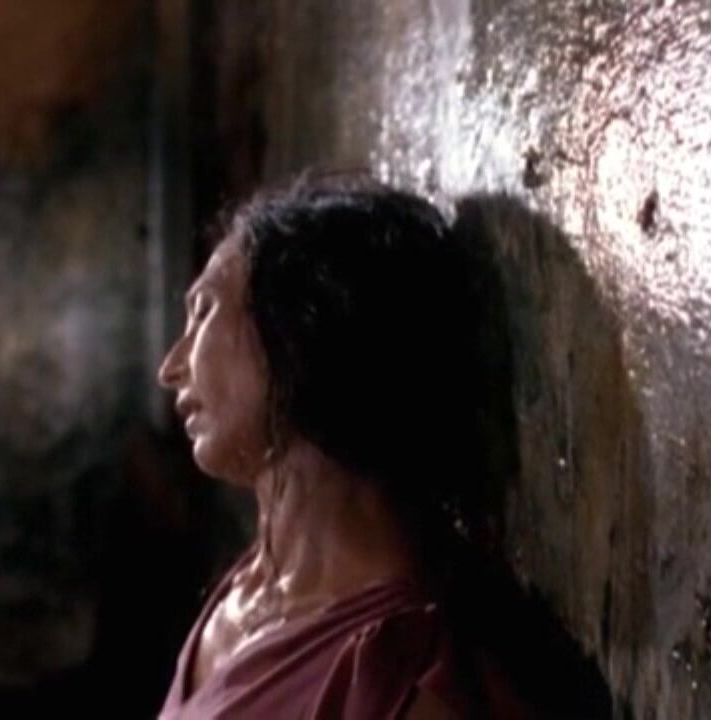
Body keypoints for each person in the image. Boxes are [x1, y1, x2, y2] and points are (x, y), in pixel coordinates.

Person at [154, 176, 530, 719]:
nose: (171, 367)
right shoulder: (247, 590)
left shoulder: (401, 681)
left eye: (204, 311)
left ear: (300, 322)